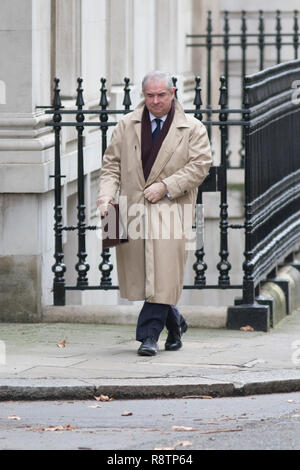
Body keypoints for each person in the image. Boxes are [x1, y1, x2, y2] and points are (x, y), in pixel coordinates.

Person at [97, 71, 212, 356]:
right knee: (147, 278)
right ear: (143, 95)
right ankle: (176, 324)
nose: (156, 101)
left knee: (162, 275)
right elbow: (111, 165)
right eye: (150, 96)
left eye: (161, 95)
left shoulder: (192, 128)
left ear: (173, 93)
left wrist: (166, 186)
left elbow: (200, 166)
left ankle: (148, 337)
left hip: (172, 210)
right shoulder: (126, 125)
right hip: (130, 211)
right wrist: (105, 195)